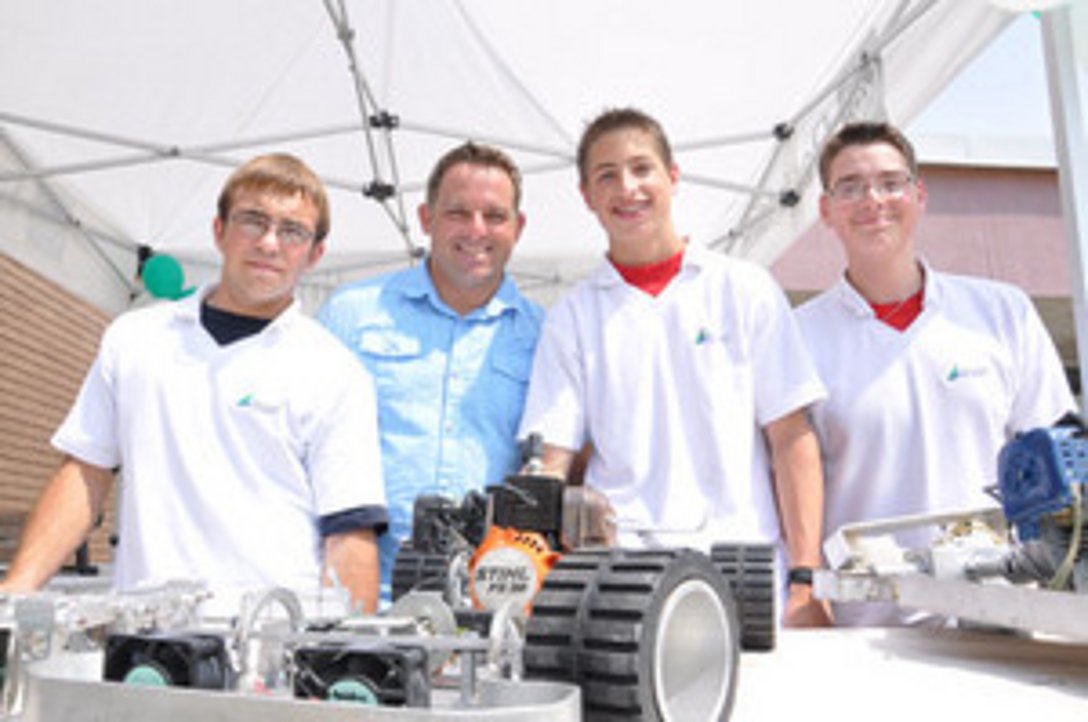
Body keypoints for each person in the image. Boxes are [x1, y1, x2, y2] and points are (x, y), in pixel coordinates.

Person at [0, 153, 388, 613]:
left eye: (292, 231)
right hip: (141, 633)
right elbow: (86, 472)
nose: (269, 243)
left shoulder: (335, 372)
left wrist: (343, 648)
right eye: (253, 220)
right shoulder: (136, 338)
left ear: (315, 254)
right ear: (219, 230)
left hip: (269, 642)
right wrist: (14, 594)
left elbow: (348, 532)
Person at [518, 107, 831, 626]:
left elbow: (792, 438)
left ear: (672, 176)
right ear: (587, 195)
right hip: (622, 586)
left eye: (641, 168)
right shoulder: (571, 318)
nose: (627, 188)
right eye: (607, 175)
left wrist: (805, 577)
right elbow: (550, 462)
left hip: (745, 575)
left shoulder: (745, 289)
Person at [796, 121, 1076, 626]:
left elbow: (1063, 464)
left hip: (1000, 619)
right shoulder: (797, 336)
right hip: (865, 628)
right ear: (826, 210)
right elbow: (790, 492)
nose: (873, 200)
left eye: (890, 183)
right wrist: (806, 596)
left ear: (919, 196)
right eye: (850, 187)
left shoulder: (1002, 312)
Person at [318, 142, 543, 598]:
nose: (476, 230)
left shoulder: (546, 337)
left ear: (518, 228)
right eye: (458, 213)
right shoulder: (351, 315)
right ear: (425, 218)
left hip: (489, 601)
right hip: (360, 597)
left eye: (495, 216)